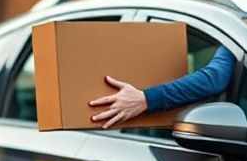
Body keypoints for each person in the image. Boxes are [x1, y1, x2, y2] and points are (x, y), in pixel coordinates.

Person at [89, 45, 236, 127]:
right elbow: (215, 78)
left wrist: (146, 99)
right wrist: (147, 99)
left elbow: (215, 79)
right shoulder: (238, 39)